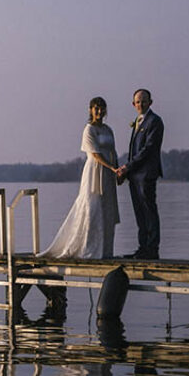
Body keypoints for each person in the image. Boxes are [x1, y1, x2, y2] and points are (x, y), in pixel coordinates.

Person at [40, 97, 120, 259]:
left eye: (102, 108)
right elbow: (95, 154)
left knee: (107, 210)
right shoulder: (89, 130)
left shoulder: (108, 130)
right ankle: (88, 248)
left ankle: (105, 251)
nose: (99, 111)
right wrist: (111, 167)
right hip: (94, 171)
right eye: (96, 108)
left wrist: (118, 171)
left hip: (108, 174)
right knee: (92, 208)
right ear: (91, 110)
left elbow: (113, 151)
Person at [116, 89, 163, 260]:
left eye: (144, 101)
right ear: (133, 104)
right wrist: (127, 171)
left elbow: (148, 150)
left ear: (151, 102)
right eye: (137, 102)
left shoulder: (155, 121)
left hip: (146, 175)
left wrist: (127, 167)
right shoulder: (138, 121)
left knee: (149, 212)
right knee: (139, 213)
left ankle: (152, 249)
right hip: (134, 177)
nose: (140, 104)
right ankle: (143, 248)